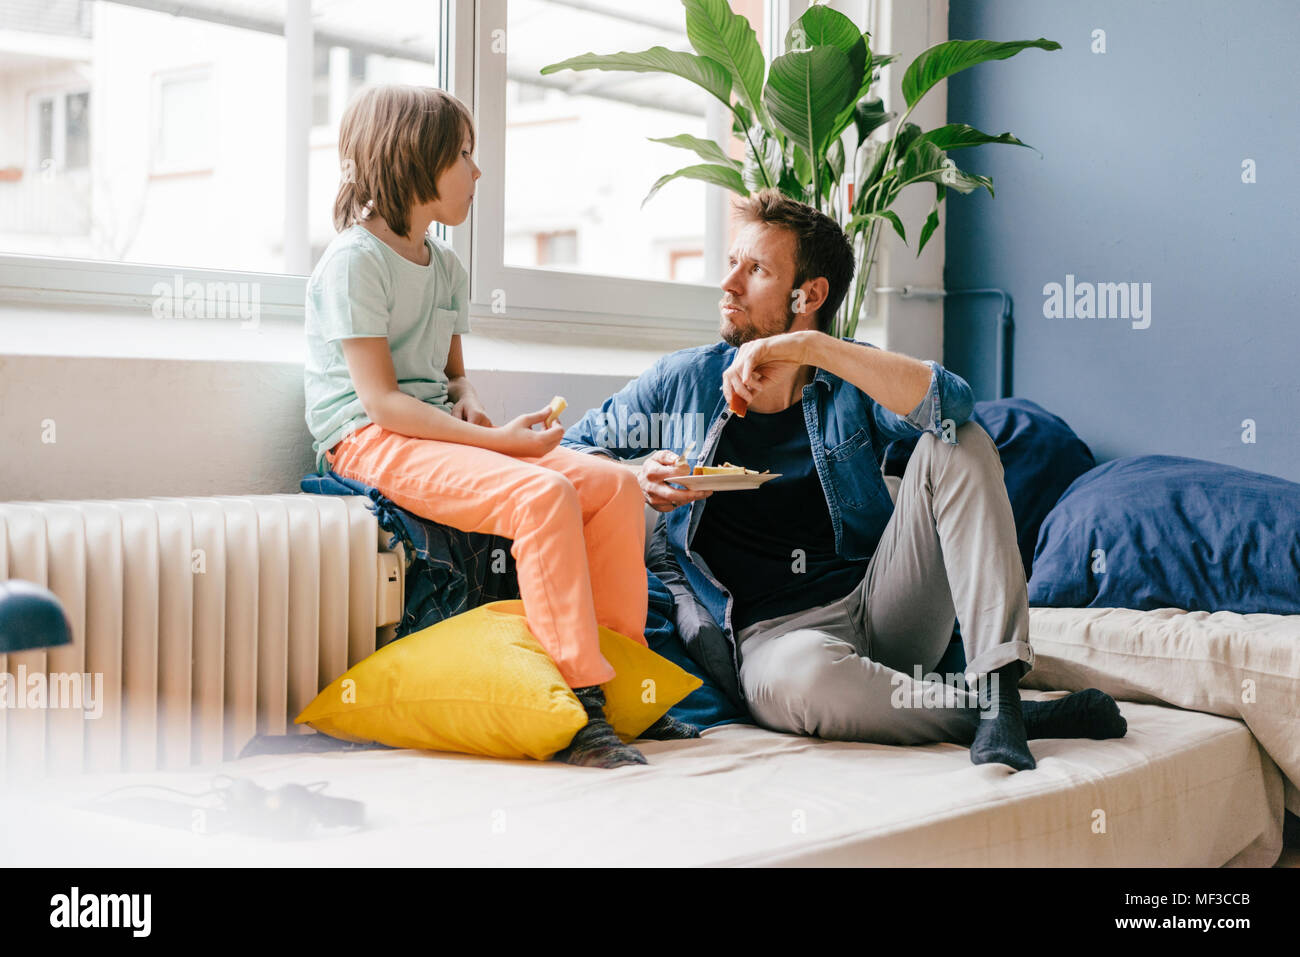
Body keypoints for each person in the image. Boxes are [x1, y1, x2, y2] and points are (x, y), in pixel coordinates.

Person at [562, 189, 1127, 771]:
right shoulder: (681, 382)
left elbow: (953, 405)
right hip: (774, 643)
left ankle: (1002, 691)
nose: (728, 284)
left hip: (883, 608)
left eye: (755, 269)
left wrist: (811, 347)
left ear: (810, 296)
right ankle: (1003, 715)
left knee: (960, 442)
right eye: (732, 263)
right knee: (807, 680)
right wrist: (635, 476)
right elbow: (567, 449)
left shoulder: (850, 376)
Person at [303, 85, 696, 769]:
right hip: (370, 440)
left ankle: (623, 679)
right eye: (463, 155)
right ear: (413, 159)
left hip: (430, 432)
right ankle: (583, 707)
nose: (476, 172)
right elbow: (383, 403)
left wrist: (470, 403)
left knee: (614, 487)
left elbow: (450, 376)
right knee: (541, 496)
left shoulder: (447, 267)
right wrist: (501, 445)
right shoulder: (354, 261)